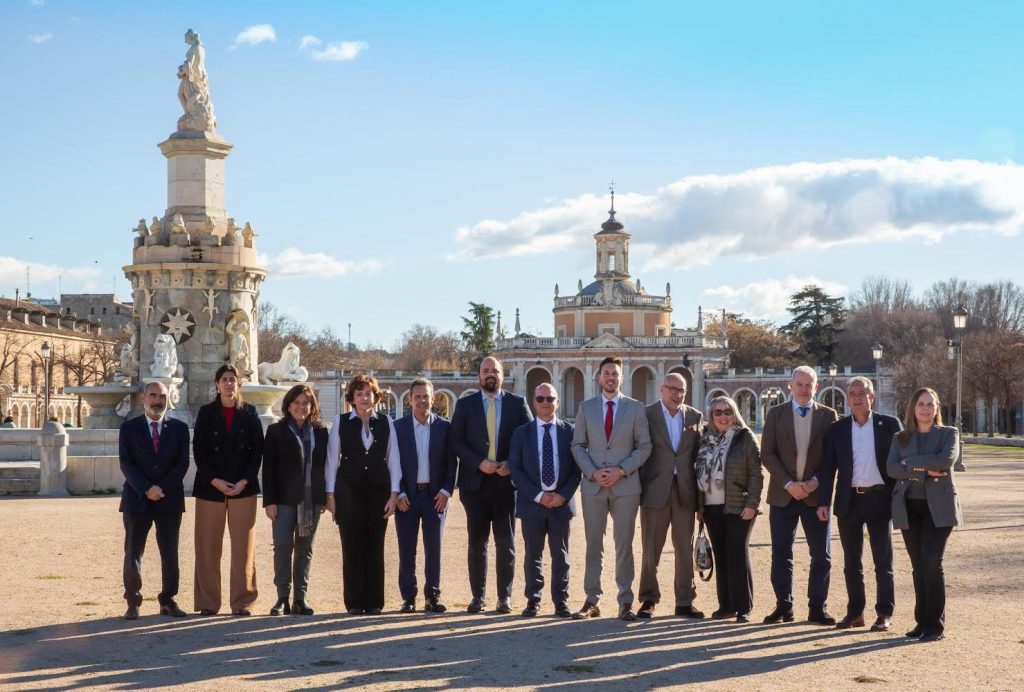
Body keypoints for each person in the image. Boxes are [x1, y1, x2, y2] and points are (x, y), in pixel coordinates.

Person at [571, 356, 652, 621]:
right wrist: (592, 471)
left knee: (624, 545)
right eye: (606, 373)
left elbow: (644, 446)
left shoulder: (636, 408)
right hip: (593, 485)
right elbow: (577, 445)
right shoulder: (587, 407)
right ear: (598, 377)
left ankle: (625, 601)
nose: (611, 378)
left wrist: (621, 470)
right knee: (593, 544)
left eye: (615, 374)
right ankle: (591, 599)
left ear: (622, 377)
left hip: (625, 485)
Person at [818, 376, 903, 632]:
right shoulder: (838, 429)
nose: (856, 397)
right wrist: (823, 502)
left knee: (883, 560)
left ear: (871, 397)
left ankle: (884, 613)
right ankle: (855, 612)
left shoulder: (889, 425)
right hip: (849, 500)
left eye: (862, 392)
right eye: (852, 393)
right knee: (851, 562)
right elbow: (827, 469)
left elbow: (901, 462)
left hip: (880, 498)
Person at [450, 357, 532, 614]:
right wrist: (478, 463)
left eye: (494, 370)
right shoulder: (465, 405)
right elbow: (456, 441)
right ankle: (478, 597)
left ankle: (504, 598)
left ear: (502, 375)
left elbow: (529, 437)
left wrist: (511, 462)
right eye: (486, 370)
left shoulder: (517, 403)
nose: (490, 374)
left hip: (506, 483)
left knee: (505, 542)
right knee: (477, 543)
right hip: (475, 485)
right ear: (478, 376)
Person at [760, 365, 838, 625]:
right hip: (783, 496)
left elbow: (832, 457)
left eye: (809, 385)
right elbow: (767, 454)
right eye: (800, 384)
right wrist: (788, 483)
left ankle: (817, 607)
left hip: (815, 497)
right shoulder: (775, 414)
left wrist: (815, 482)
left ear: (817, 387)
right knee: (781, 553)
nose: (804, 390)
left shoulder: (829, 415)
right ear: (790, 386)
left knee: (821, 555)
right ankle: (784, 606)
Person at [887, 387, 961, 643]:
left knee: (931, 562)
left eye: (931, 404)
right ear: (913, 408)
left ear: (937, 408)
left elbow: (945, 461)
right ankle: (921, 621)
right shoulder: (901, 438)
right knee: (918, 566)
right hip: (909, 508)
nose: (926, 409)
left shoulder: (949, 434)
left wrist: (912, 464)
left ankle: (935, 626)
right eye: (921, 404)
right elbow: (892, 468)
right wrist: (924, 470)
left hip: (938, 509)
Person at [326, 374, 402, 615]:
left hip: (379, 492)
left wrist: (394, 494)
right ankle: (354, 602)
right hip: (348, 491)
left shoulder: (386, 423)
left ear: (375, 396)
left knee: (375, 546)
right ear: (352, 398)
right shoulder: (340, 422)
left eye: (368, 393)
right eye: (359, 393)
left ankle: (374, 602)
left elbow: (394, 459)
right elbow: (331, 460)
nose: (364, 397)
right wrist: (330, 495)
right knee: (351, 546)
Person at [192, 364, 264, 616]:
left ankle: (243, 602)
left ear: (238, 384)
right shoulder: (205, 413)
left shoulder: (251, 413)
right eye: (224, 379)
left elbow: (257, 451)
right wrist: (214, 480)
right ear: (217, 384)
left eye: (232, 379)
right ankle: (208, 602)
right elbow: (199, 451)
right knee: (207, 548)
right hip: (210, 488)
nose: (228, 383)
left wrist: (245, 480)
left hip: (243, 488)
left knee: (243, 549)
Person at [508, 383, 581, 617]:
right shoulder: (521, 433)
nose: (546, 403)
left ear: (557, 402)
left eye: (551, 398)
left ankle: (561, 600)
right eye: (541, 398)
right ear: (533, 402)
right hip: (533, 503)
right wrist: (539, 496)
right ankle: (533, 599)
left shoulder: (569, 432)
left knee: (561, 554)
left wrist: (563, 495)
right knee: (533, 554)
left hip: (560, 503)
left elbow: (576, 470)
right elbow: (516, 470)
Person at [118, 381, 189, 620]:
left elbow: (182, 464)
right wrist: (147, 489)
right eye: (153, 395)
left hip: (169, 499)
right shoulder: (129, 428)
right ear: (144, 398)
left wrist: (162, 488)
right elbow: (126, 464)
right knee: (133, 552)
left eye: (162, 396)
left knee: (170, 553)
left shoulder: (180, 429)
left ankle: (168, 600)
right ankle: (133, 601)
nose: (158, 400)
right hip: (137, 499)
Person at [637, 373, 705, 620]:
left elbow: (699, 459)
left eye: (682, 391)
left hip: (685, 490)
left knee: (684, 548)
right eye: (673, 389)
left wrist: (701, 502)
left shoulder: (695, 417)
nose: (677, 394)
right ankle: (648, 598)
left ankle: (685, 600)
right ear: (662, 389)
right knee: (650, 549)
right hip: (654, 489)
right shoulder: (647, 414)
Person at [262, 384, 328, 616]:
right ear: (288, 405)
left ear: (312, 407)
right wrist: (269, 501)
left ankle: (300, 597)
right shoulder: (276, 431)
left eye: (306, 403)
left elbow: (324, 467)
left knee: (304, 549)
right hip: (282, 499)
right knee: (282, 546)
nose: (301, 407)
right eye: (297, 403)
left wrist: (324, 497)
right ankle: (282, 597)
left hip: (311, 501)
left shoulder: (320, 432)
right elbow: (268, 468)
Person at [696, 396, 763, 623]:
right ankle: (725, 605)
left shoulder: (745, 438)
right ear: (711, 416)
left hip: (739, 505)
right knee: (721, 555)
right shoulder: (705, 439)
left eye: (727, 411)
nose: (723, 416)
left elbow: (756, 474)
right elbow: (697, 474)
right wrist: (699, 507)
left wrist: (752, 505)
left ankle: (743, 607)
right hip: (711, 506)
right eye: (717, 412)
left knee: (737, 553)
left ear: (734, 413)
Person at [394, 378, 457, 614]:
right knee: (406, 549)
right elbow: (392, 464)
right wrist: (398, 492)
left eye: (426, 396)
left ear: (434, 399)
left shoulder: (444, 427)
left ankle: (432, 595)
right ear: (410, 400)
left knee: (434, 549)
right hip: (407, 497)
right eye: (417, 396)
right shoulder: (398, 428)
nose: (422, 400)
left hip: (435, 497)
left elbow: (452, 463)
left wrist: (446, 491)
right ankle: (408, 597)